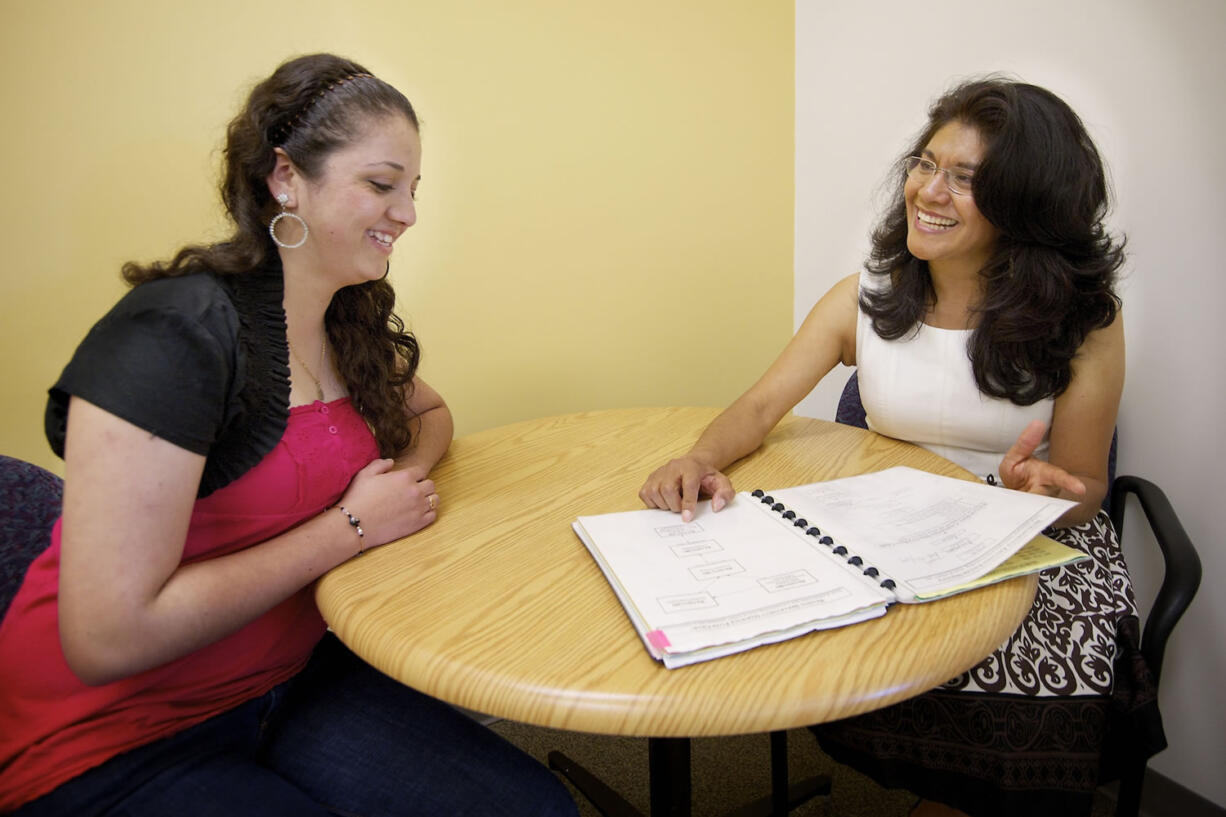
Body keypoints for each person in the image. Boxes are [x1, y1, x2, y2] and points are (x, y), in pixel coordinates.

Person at [0, 53, 577, 817]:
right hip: (110, 737)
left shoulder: (341, 320)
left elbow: (430, 416)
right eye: (381, 184)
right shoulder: (176, 335)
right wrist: (352, 526)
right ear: (285, 179)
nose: (407, 212)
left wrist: (397, 481)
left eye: (412, 190)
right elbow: (107, 636)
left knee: (536, 809)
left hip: (287, 679)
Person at [639, 77, 1163, 817]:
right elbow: (760, 405)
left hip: (1029, 542)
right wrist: (700, 456)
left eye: (966, 179)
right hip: (885, 527)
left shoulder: (1085, 320)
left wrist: (1035, 498)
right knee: (771, 613)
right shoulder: (868, 294)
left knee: (1027, 684)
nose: (929, 190)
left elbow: (1080, 493)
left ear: (1028, 203)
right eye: (925, 163)